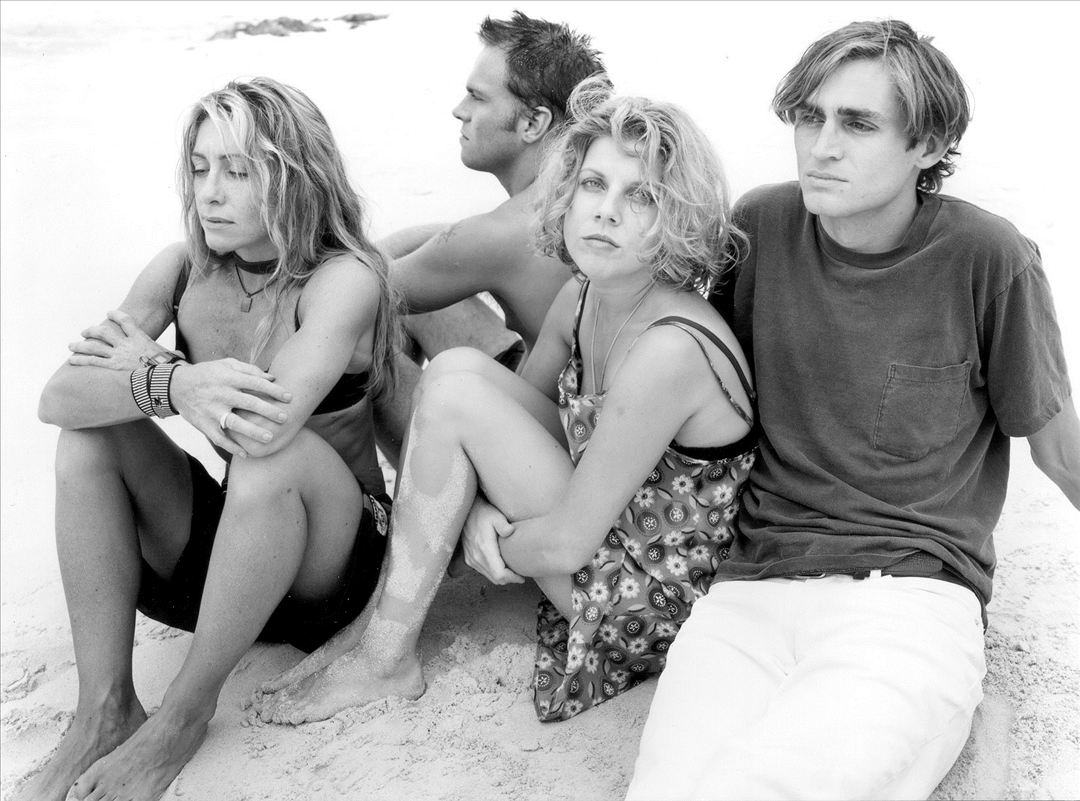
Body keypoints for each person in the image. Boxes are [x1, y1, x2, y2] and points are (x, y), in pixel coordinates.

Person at [627, 19, 1080, 801]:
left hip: (908, 597)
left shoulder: (988, 258)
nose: (821, 146)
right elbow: (682, 385)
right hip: (749, 589)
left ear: (927, 144)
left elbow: (1060, 451)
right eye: (810, 117)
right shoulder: (761, 228)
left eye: (858, 123)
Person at [250, 78, 758, 727]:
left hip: (651, 604)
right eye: (593, 184)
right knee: (456, 371)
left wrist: (477, 535)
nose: (605, 212)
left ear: (679, 218)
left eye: (642, 197)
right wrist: (472, 502)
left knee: (459, 393)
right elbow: (518, 417)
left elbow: (566, 544)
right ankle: (383, 628)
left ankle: (384, 652)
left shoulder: (670, 350)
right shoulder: (584, 295)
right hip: (609, 532)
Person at [26, 77, 399, 801]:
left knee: (269, 456)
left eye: (238, 171)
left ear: (295, 176)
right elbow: (58, 397)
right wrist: (176, 385)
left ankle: (184, 715)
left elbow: (267, 422)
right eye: (200, 169)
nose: (210, 194)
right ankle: (104, 707)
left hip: (332, 566)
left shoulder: (343, 277)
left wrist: (150, 367)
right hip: (235, 556)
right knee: (89, 440)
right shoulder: (181, 271)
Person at [373, 10, 607, 464]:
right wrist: (422, 238)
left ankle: (411, 488)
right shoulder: (589, 192)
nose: (459, 110)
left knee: (361, 347)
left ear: (533, 123)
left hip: (559, 455)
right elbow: (450, 247)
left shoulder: (504, 232)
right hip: (567, 404)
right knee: (422, 296)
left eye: (477, 97)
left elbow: (348, 292)